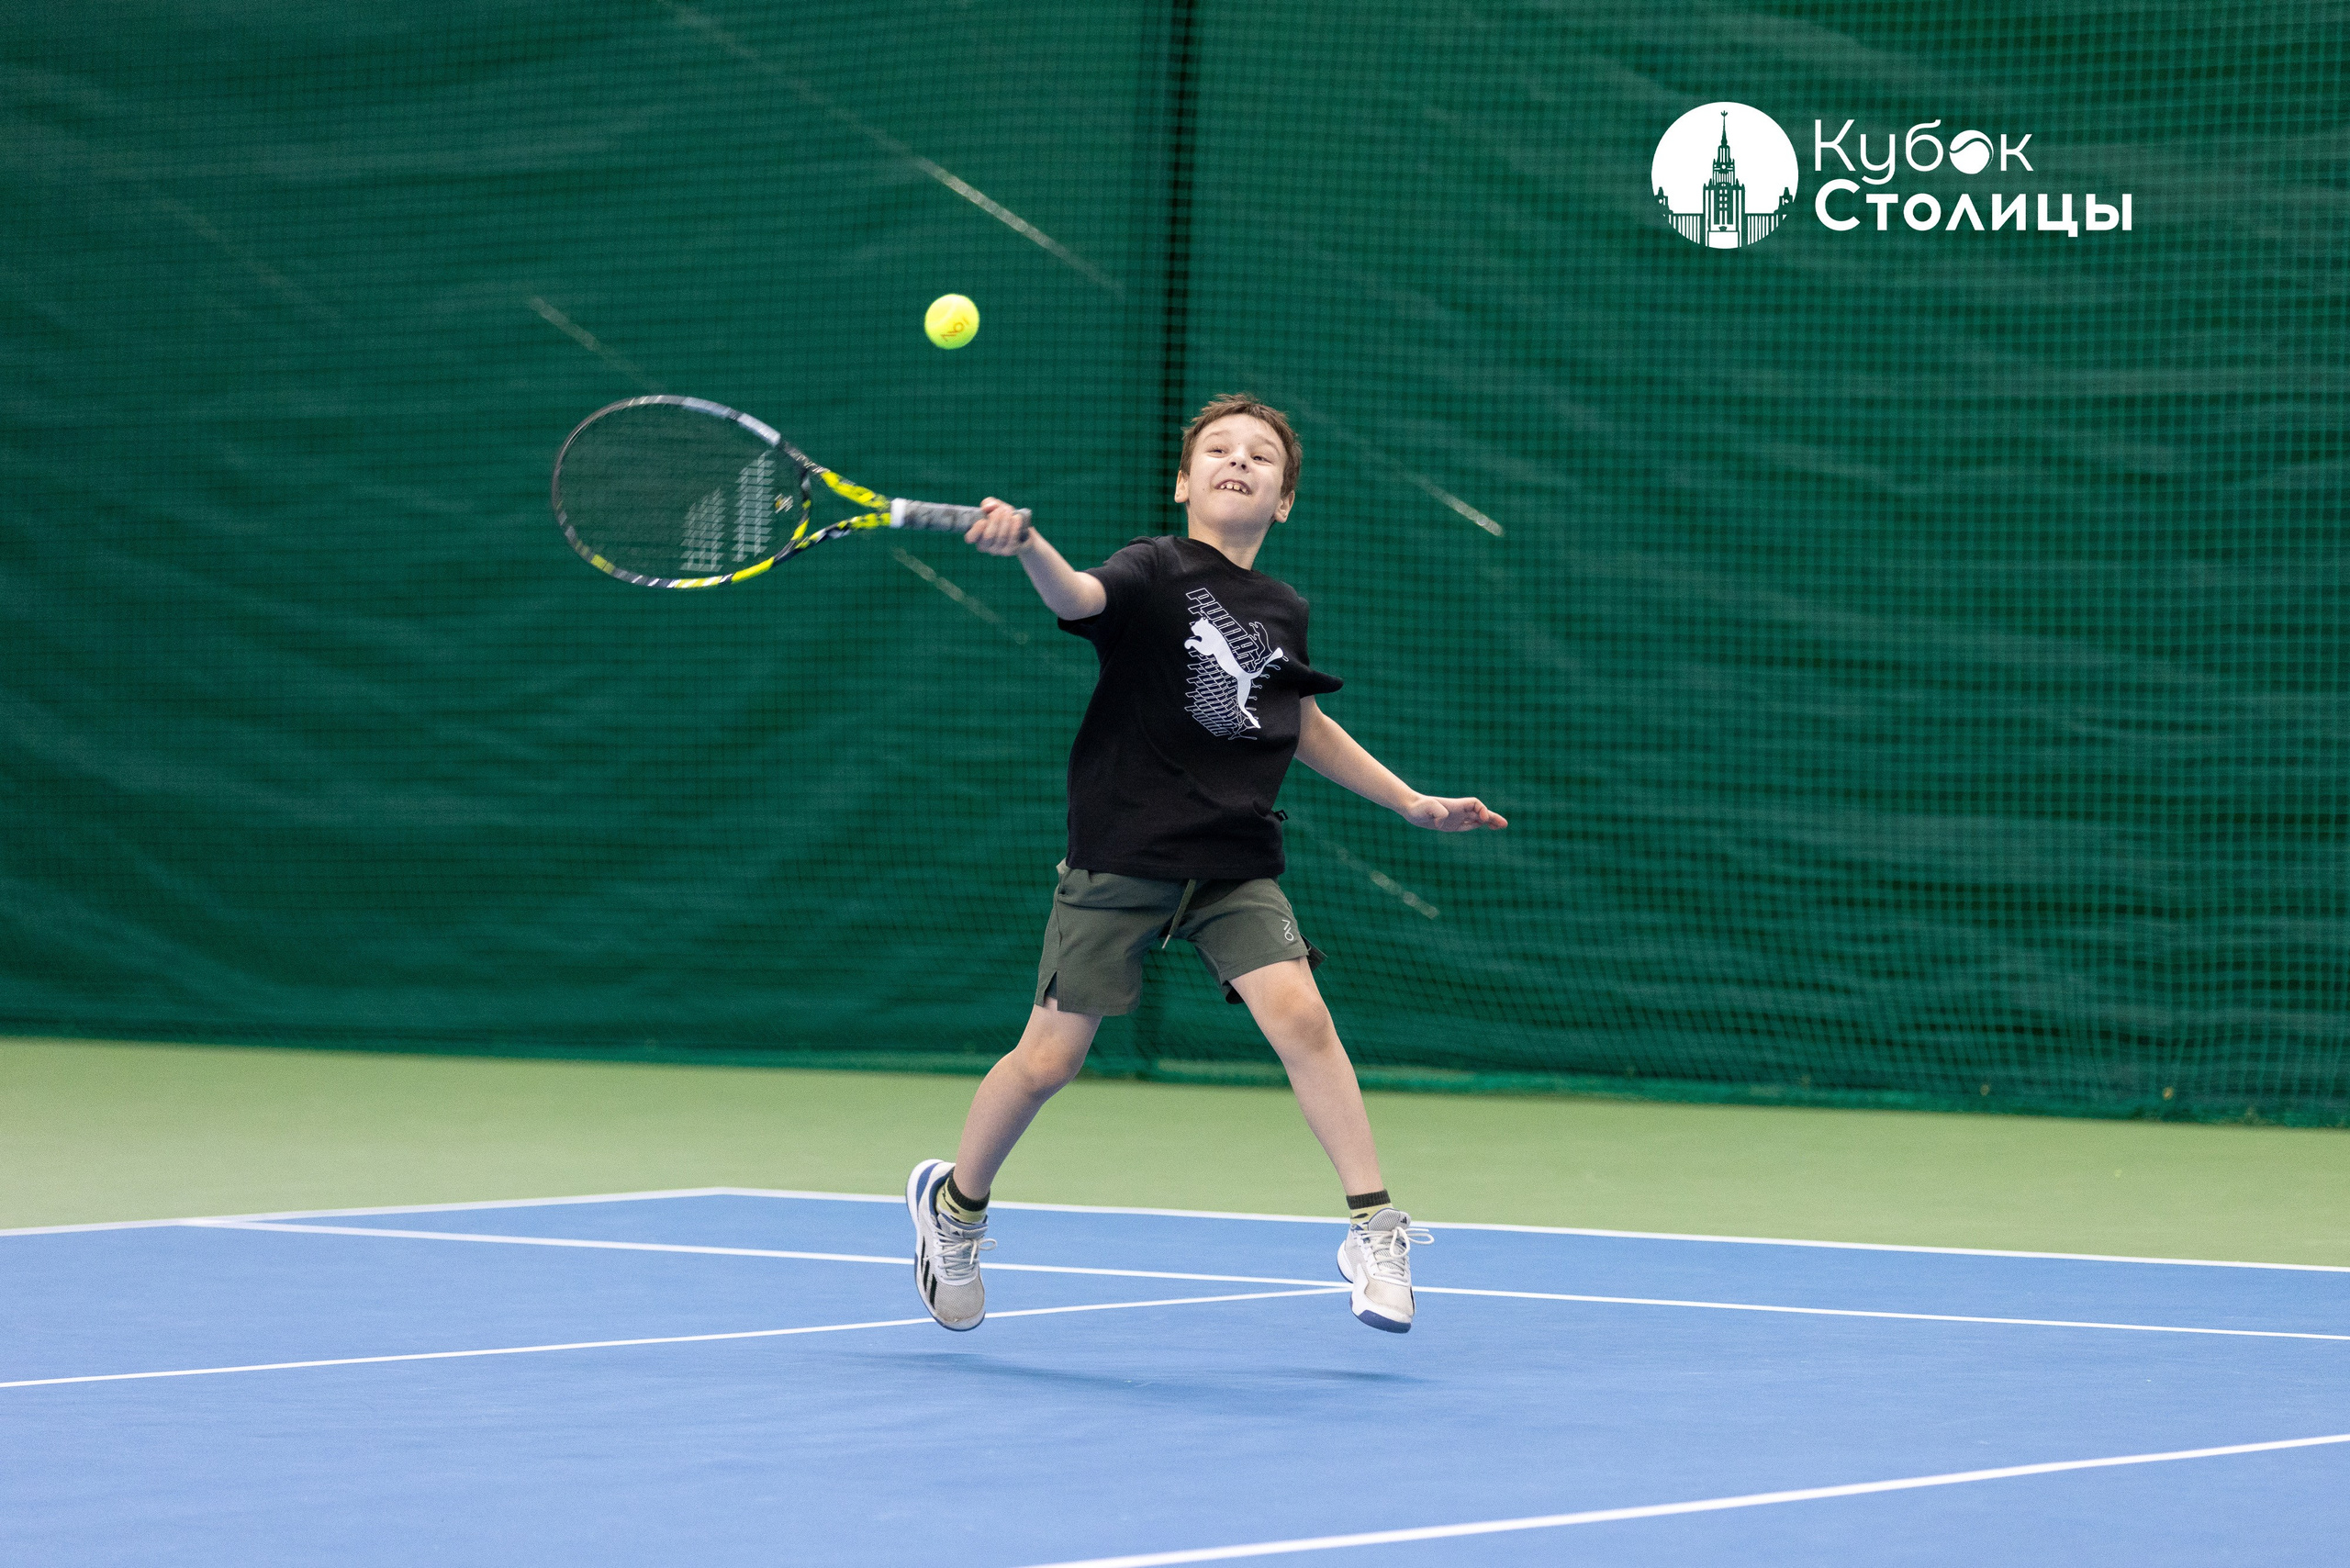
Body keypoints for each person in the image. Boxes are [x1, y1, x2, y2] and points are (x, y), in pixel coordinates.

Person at [906, 394, 1505, 1335]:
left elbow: (1298, 721)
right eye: (1217, 450)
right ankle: (955, 1207)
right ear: (1184, 482)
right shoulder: (1152, 569)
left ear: (1284, 500)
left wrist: (1409, 801)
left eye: (1260, 456)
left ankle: (1370, 1225)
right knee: (1047, 1060)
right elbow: (1079, 599)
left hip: (1232, 859)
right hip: (1123, 850)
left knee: (1302, 1014)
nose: (1238, 460)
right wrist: (1025, 544)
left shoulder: (1282, 609)